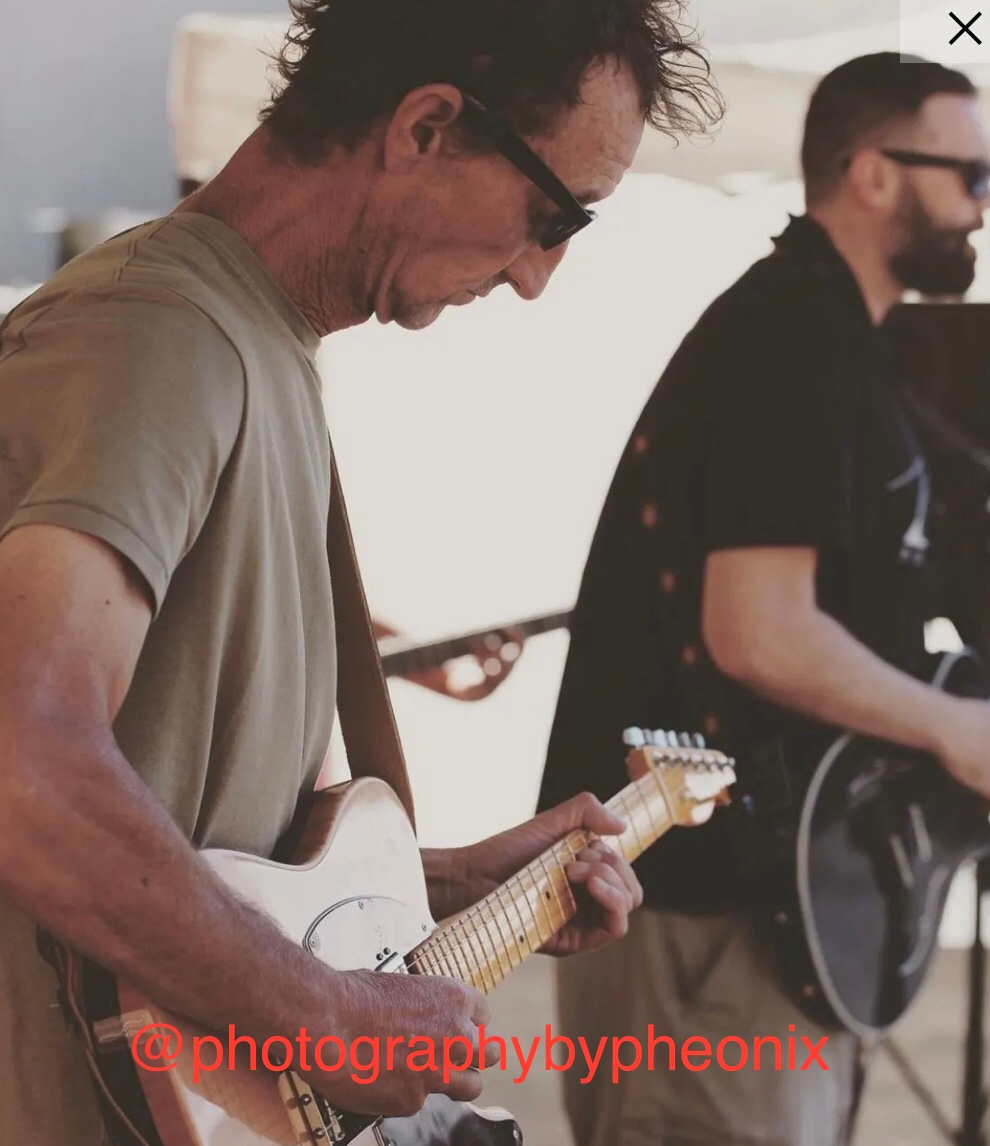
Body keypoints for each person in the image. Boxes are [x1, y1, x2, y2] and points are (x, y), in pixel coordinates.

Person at [0, 2, 721, 1144]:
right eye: (554, 215)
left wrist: (438, 889)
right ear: (427, 127)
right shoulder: (162, 337)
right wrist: (326, 1015)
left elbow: (200, 829)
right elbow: (28, 762)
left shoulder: (254, 344)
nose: (540, 276)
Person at [537, 52, 990, 1146]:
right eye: (972, 177)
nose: (983, 205)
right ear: (875, 173)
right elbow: (759, 631)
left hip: (758, 907)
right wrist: (956, 729)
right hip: (698, 908)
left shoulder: (845, 338)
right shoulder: (794, 336)